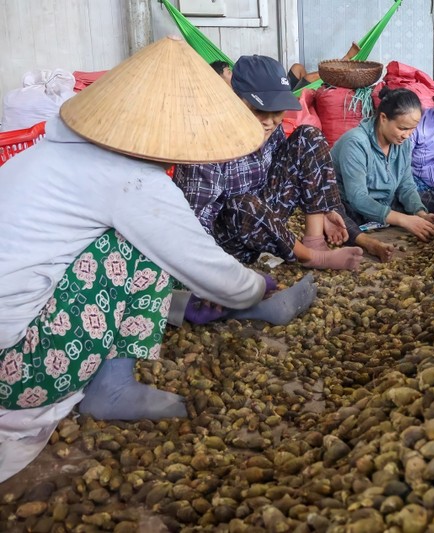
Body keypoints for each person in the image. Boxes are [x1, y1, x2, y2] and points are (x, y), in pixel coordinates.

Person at [0, 37, 315, 481]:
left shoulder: (52, 150)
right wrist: (255, 286)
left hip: (14, 343)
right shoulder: (129, 181)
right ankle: (111, 386)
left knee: (122, 244)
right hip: (20, 372)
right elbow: (201, 262)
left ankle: (179, 310)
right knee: (132, 244)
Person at [174, 55, 394, 268]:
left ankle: (314, 239)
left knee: (309, 136)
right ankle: (310, 257)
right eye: (259, 110)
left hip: (267, 225)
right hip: (228, 240)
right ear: (235, 99)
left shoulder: (272, 128)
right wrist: (216, 277)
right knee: (242, 202)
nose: (269, 121)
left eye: (276, 111)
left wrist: (322, 210)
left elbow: (295, 171)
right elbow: (194, 225)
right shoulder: (206, 146)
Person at [331, 87, 434, 242]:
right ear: (383, 118)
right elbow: (358, 198)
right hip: (353, 208)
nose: (407, 135)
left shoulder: (402, 143)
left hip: (385, 202)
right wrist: (404, 220)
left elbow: (406, 186)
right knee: (339, 222)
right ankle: (367, 241)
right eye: (402, 128)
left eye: (412, 129)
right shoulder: (356, 143)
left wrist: (420, 213)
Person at [287, 41, 361, 90]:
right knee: (311, 77)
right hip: (291, 99)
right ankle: (344, 61)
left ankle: (308, 88)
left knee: (297, 67)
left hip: (287, 94)